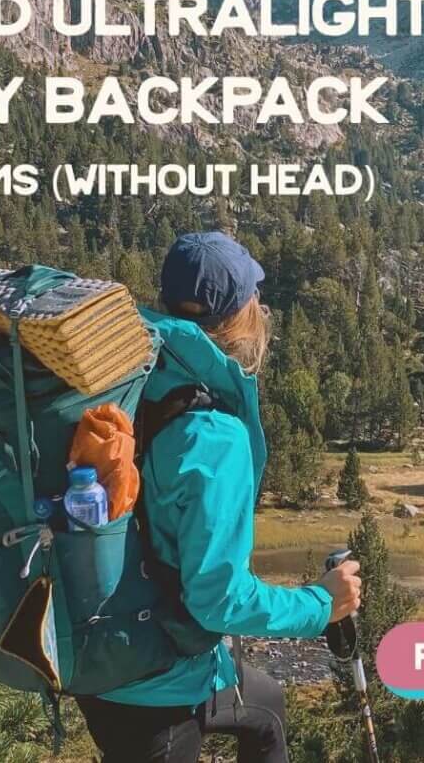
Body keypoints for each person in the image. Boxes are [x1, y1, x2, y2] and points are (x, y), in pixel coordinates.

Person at [75, 231, 362, 763]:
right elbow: (219, 600)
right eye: (254, 296)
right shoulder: (213, 436)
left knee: (266, 706)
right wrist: (322, 604)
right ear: (240, 317)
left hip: (100, 646)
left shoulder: (134, 382)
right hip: (153, 689)